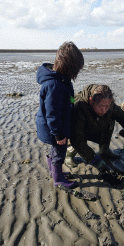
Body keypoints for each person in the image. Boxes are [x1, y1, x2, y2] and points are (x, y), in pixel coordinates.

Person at [36, 41, 84, 188]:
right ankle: (58, 180)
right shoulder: (54, 86)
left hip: (55, 125)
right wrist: (59, 134)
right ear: (67, 66)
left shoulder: (62, 79)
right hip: (54, 127)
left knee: (54, 149)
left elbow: (68, 97)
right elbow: (52, 114)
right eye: (75, 69)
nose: (76, 73)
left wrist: (71, 101)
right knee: (59, 152)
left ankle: (53, 171)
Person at [67, 84, 124, 173]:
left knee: (110, 120)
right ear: (91, 101)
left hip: (94, 124)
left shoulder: (108, 102)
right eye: (101, 106)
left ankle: (104, 150)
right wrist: (94, 160)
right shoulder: (78, 106)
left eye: (107, 106)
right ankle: (69, 154)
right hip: (76, 129)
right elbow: (77, 139)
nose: (104, 110)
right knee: (77, 138)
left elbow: (123, 116)